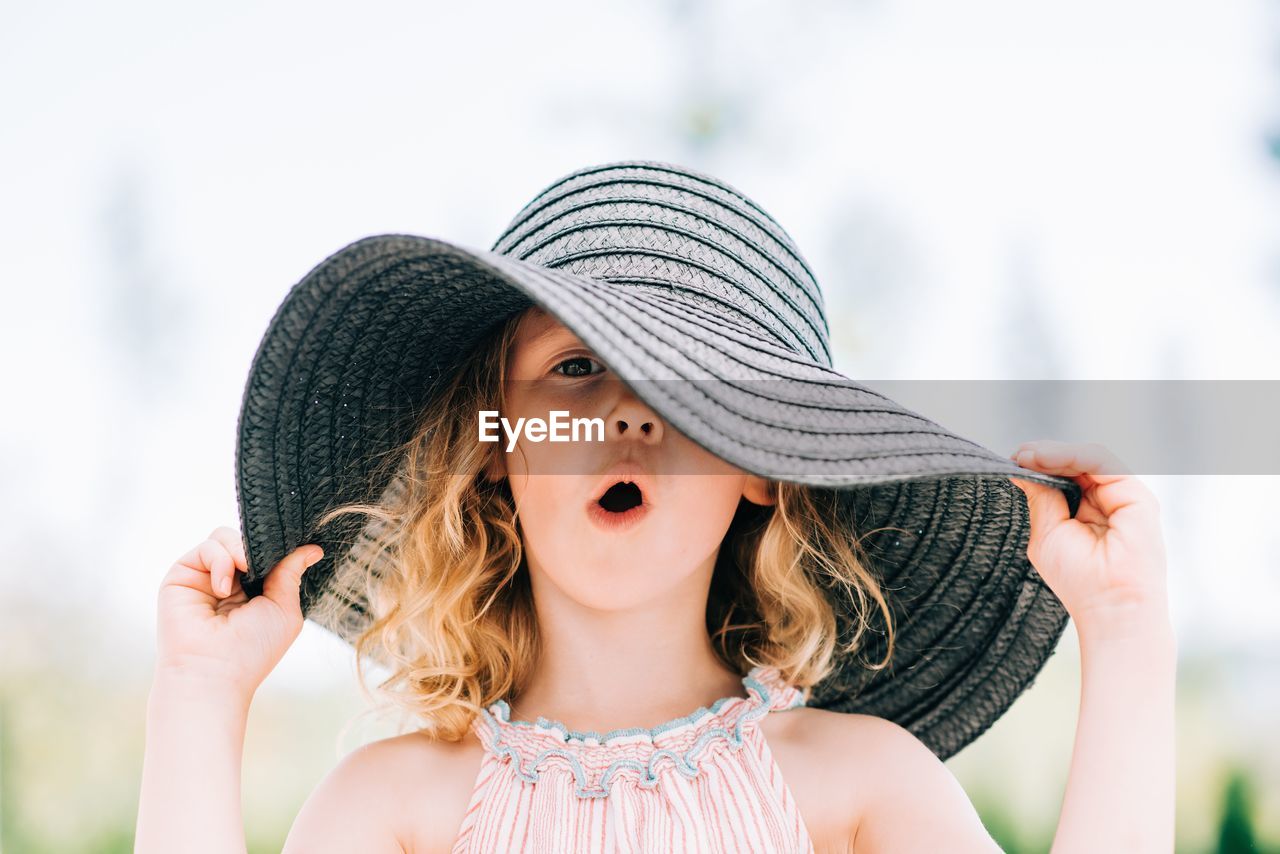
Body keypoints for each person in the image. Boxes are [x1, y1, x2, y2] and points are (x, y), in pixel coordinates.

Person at [136, 163, 1175, 853]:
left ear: (765, 464)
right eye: (575, 365)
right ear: (496, 443)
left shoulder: (856, 784)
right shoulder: (393, 805)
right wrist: (197, 694)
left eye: (690, 386)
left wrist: (1123, 631)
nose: (623, 413)